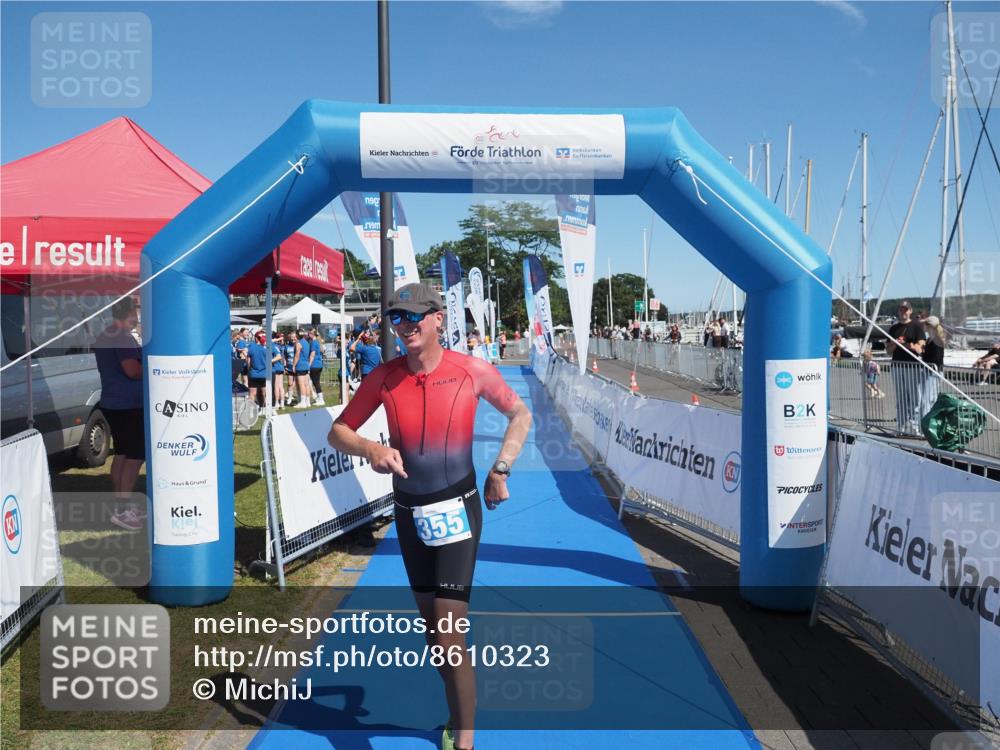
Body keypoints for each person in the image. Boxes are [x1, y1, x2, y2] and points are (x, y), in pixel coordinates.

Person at [328, 283, 532, 750]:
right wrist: (371, 448)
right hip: (409, 514)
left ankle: (464, 740)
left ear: (439, 318)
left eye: (415, 316)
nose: (406, 326)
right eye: (397, 319)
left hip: (458, 511)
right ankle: (456, 707)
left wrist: (501, 468)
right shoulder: (384, 377)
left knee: (447, 633)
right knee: (436, 637)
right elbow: (338, 431)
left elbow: (520, 414)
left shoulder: (471, 371)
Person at [94, 297, 146, 532]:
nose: (139, 316)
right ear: (130, 312)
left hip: (114, 402)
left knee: (123, 453)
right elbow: (133, 371)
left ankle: (120, 505)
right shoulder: (122, 336)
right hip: (127, 405)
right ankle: (123, 510)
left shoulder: (107, 334)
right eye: (138, 310)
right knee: (135, 455)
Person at [885, 301, 925, 433]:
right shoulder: (893, 329)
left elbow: (920, 349)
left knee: (914, 398)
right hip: (897, 366)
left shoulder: (917, 326)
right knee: (901, 398)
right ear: (898, 311)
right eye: (901, 310)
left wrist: (907, 344)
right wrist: (895, 344)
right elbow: (888, 351)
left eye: (906, 310)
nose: (903, 312)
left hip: (912, 367)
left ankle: (914, 428)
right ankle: (901, 427)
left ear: (910, 311)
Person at [919, 315, 947, 419]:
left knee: (928, 399)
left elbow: (935, 358)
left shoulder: (937, 340)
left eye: (925, 324)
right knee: (929, 398)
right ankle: (928, 421)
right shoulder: (930, 339)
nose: (923, 326)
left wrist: (923, 355)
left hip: (933, 372)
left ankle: (926, 423)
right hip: (929, 371)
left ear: (929, 326)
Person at [247, 331, 270, 407]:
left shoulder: (251, 348)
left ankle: (250, 411)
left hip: (254, 374)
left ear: (257, 338)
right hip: (264, 374)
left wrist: (249, 370)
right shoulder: (266, 349)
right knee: (264, 393)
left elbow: (248, 363)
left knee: (252, 393)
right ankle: (265, 408)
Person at [292, 329, 313, 408]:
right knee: (306, 384)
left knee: (301, 385)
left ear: (297, 335)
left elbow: (297, 355)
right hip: (306, 365)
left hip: (300, 365)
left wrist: (294, 365)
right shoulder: (307, 342)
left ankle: (303, 402)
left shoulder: (298, 343)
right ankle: (308, 402)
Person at [309, 330, 325, 406]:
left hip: (314, 365)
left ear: (312, 334)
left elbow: (312, 354)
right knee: (316, 383)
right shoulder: (317, 342)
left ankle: (321, 399)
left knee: (316, 383)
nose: (308, 335)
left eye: (309, 333)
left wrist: (309, 365)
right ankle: (319, 398)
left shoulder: (313, 342)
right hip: (319, 364)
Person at [271, 332, 285, 407]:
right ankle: (282, 404)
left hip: (276, 367)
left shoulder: (272, 345)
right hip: (280, 367)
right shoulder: (280, 346)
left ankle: (276, 402)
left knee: (276, 386)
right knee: (281, 386)